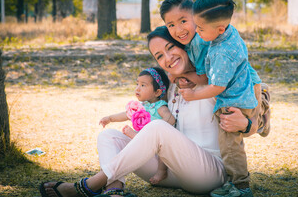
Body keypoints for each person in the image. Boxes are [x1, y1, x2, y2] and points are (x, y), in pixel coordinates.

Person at [39, 26, 253, 197]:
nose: (167, 58)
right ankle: (114, 189)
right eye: (159, 56)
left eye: (171, 48)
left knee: (158, 127)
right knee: (110, 136)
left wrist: (247, 124)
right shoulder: (170, 88)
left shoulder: (214, 80)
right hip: (169, 171)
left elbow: (258, 115)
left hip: (208, 172)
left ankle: (90, 185)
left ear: (184, 46)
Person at [173, 0, 263, 197]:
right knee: (229, 145)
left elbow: (218, 87)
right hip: (238, 97)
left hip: (234, 103)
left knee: (230, 147)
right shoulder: (226, 33)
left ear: (220, 28)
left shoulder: (223, 51)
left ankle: (240, 187)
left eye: (201, 28)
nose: (198, 31)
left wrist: (193, 95)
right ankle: (235, 182)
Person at [160, 0, 270, 138]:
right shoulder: (193, 38)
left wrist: (180, 74)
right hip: (233, 85)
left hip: (243, 85)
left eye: (183, 21)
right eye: (171, 25)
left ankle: (262, 108)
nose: (179, 30)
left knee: (236, 127)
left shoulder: (203, 40)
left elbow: (205, 78)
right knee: (231, 126)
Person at [99, 67, 175, 185]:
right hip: (143, 146)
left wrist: (159, 128)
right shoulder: (140, 106)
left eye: (143, 85)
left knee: (163, 148)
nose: (137, 88)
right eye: (137, 84)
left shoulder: (160, 106)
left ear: (157, 92)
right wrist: (110, 118)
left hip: (155, 144)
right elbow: (126, 115)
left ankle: (162, 171)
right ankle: (110, 172)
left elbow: (170, 119)